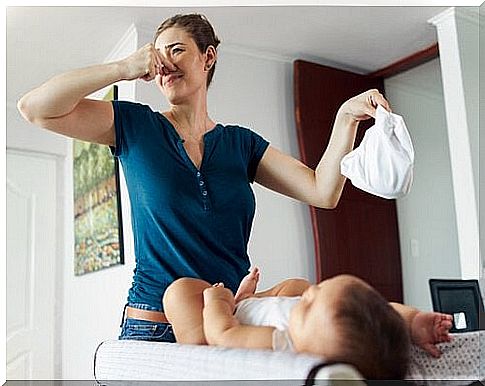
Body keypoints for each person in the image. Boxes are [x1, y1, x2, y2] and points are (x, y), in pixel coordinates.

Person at [17, 13, 394, 343]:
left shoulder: (240, 144)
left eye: (176, 50)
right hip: (154, 326)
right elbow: (34, 108)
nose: (164, 63)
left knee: (303, 294)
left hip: (226, 322)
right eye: (157, 54)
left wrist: (345, 119)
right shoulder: (134, 125)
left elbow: (322, 191)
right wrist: (122, 68)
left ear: (208, 57)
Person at [163, 268, 453, 380]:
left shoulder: (285, 344)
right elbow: (379, 314)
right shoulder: (315, 329)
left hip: (223, 323)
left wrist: (218, 302)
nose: (312, 292)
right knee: (296, 285)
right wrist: (412, 322)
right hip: (251, 308)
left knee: (179, 293)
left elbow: (223, 334)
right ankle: (246, 300)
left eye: (311, 303)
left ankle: (236, 305)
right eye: (321, 289)